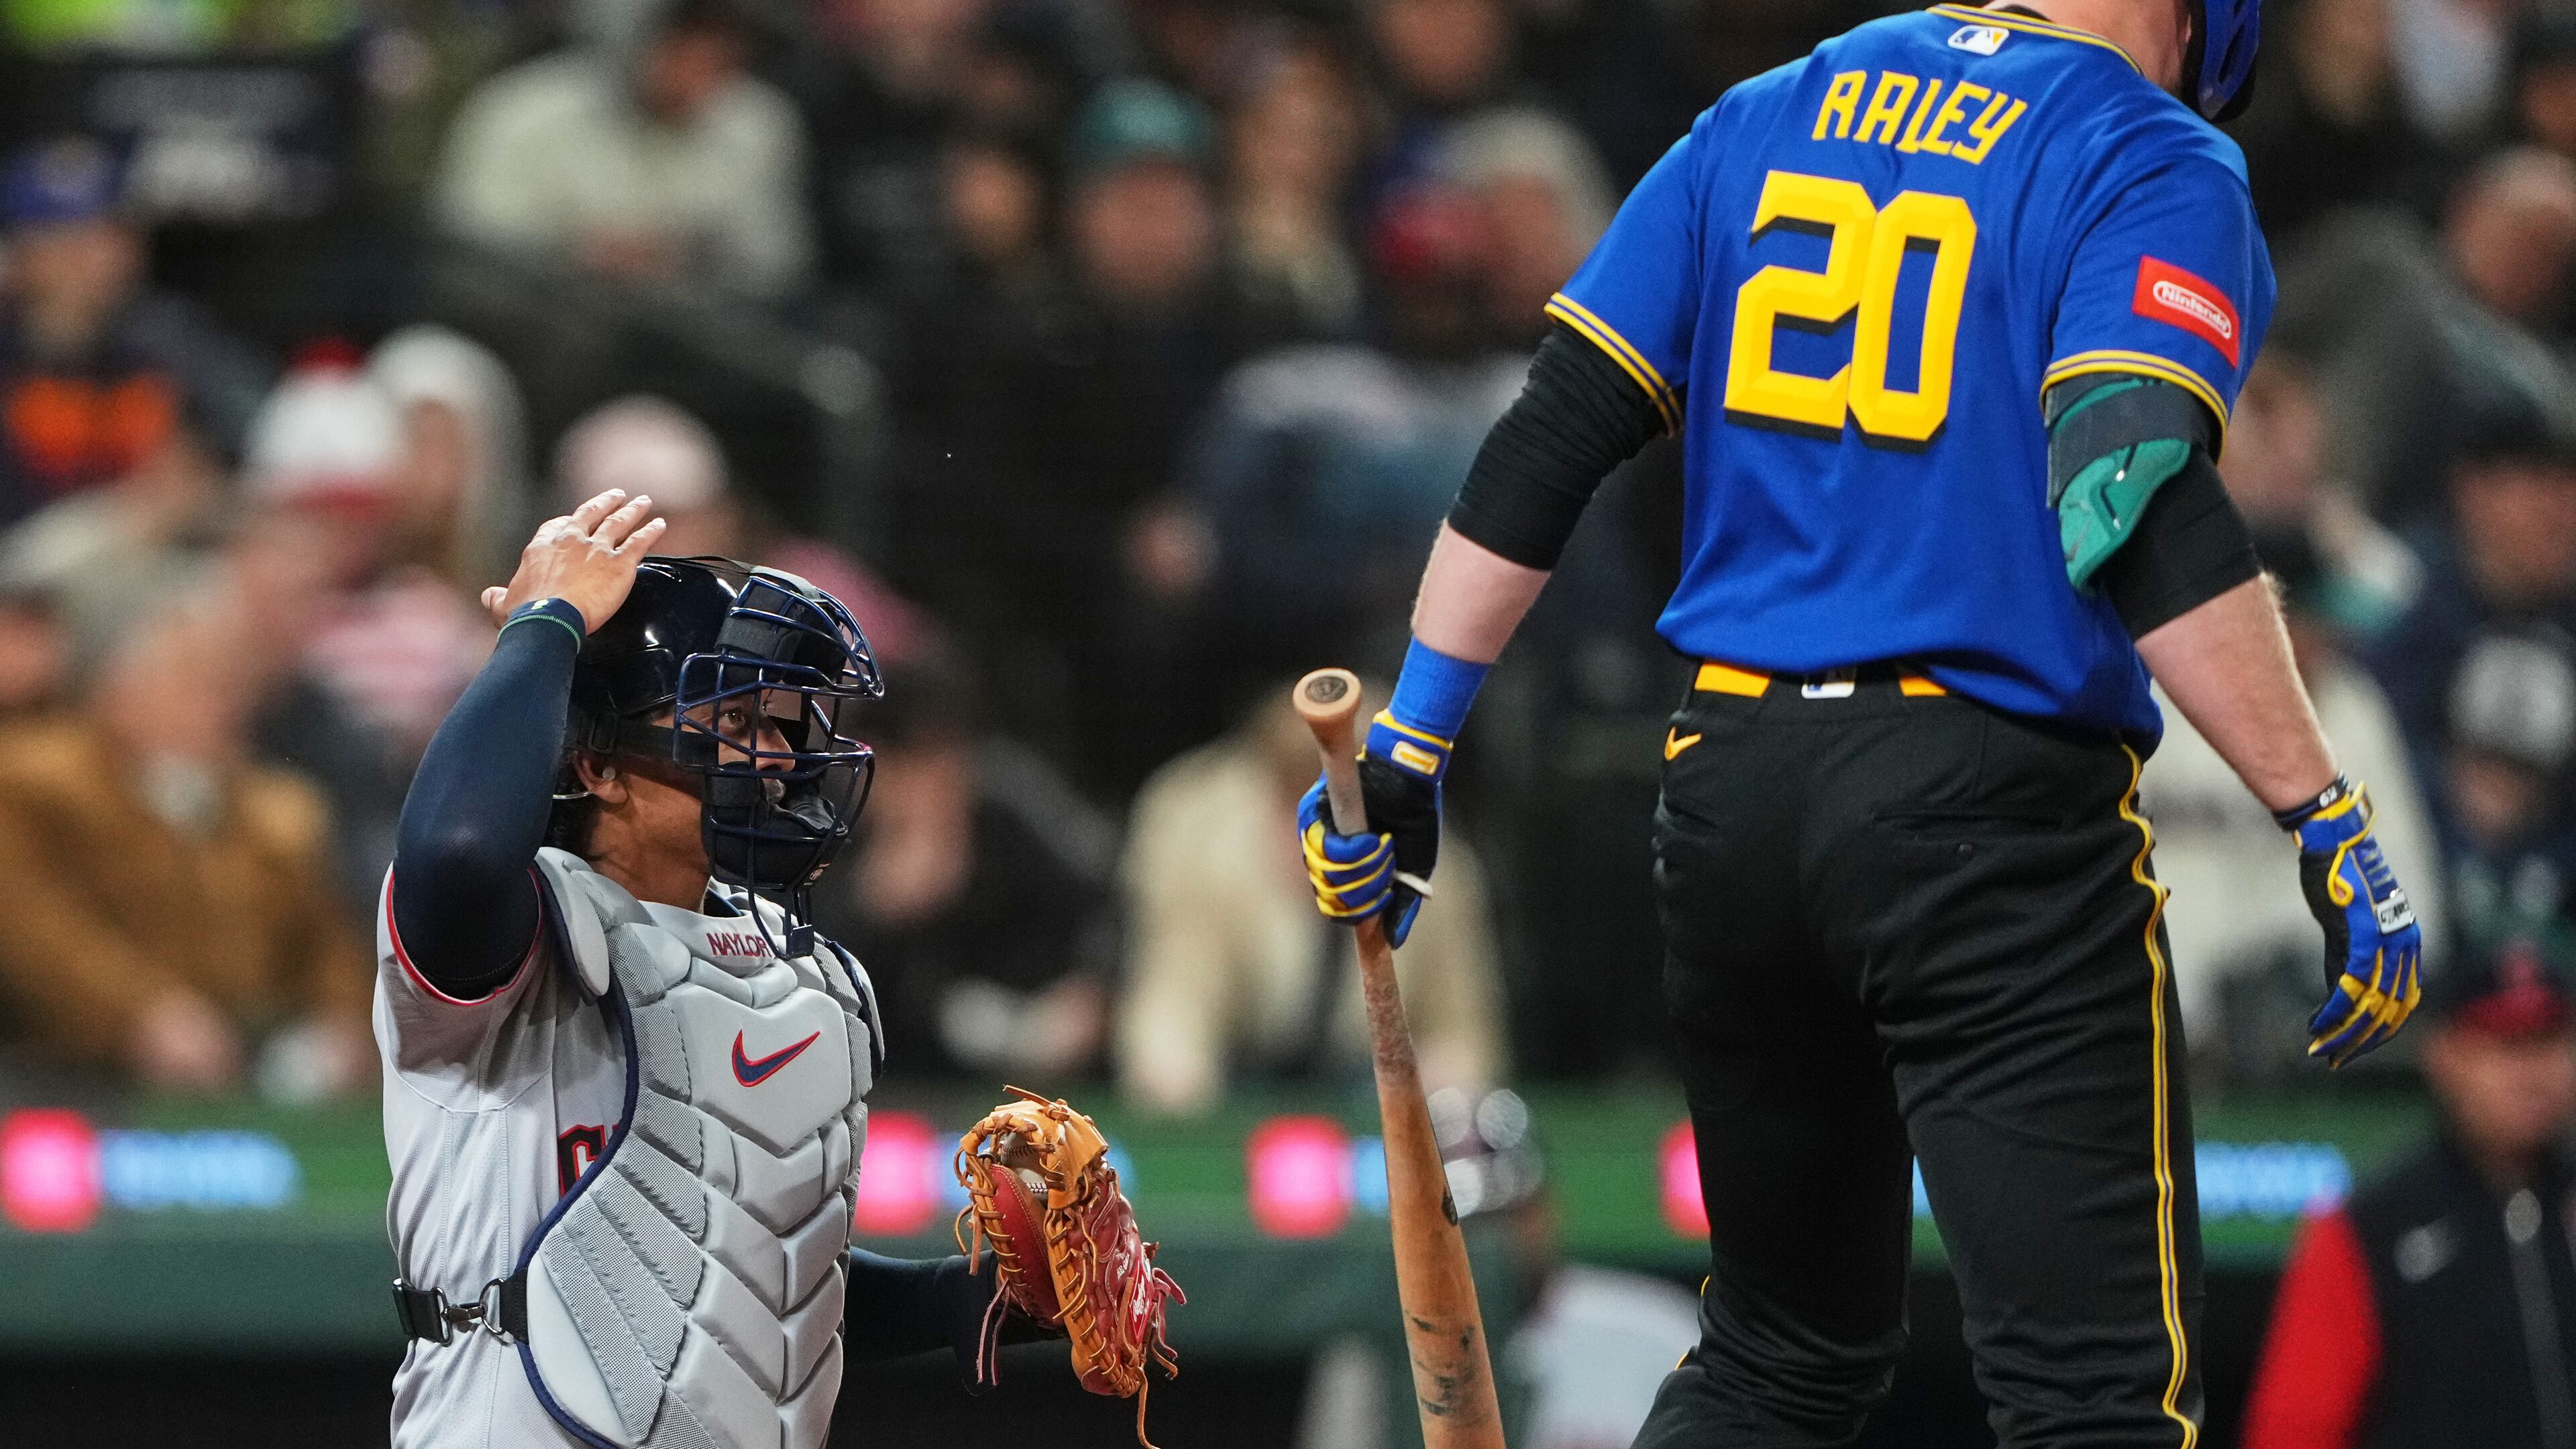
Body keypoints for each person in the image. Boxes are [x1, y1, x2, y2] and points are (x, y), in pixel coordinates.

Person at [1293, 3, 2426, 1445]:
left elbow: (1551, 434)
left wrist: (1409, 746)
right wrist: (2323, 811)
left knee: (1779, 1358)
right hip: (1983, 807)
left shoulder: (1774, 103)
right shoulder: (2148, 149)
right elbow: (2122, 481)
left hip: (1730, 795)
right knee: (2097, 1404)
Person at [375, 494, 1092, 1446]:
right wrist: (544, 624)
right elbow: (459, 850)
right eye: (731, 719)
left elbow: (744, 1281)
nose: (773, 758)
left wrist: (980, 1303)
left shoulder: (801, 970)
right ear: (596, 762)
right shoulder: (518, 931)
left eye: (779, 722)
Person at [0, 568, 372, 1096]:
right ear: (119, 687)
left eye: (231, 683)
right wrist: (141, 1013)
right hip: (74, 1080)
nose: (224, 703)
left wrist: (341, 1030)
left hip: (251, 1084)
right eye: (194, 679)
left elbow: (329, 946)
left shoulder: (277, 812)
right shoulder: (31, 781)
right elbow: (33, 926)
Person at [2242, 939, 2576, 1448]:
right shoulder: (2369, 1227)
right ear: (2443, 1053)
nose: (2529, 1072)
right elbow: (2291, 1434)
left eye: (2547, 1039)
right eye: (2503, 1044)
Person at [1124, 687, 1503, 1116]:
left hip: (1377, 1103)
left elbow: (1462, 1035)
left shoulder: (1434, 867)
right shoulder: (1209, 860)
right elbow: (1170, 1026)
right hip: (1238, 1096)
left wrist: (1440, 1094)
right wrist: (1181, 1092)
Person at [430, 0, 814, 299]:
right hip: (536, 320)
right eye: (680, 50)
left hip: (687, 346)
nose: (695, 77)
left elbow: (778, 265)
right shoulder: (527, 110)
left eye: (719, 58)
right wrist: (572, 251)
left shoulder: (760, 128)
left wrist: (688, 256)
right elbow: (464, 239)